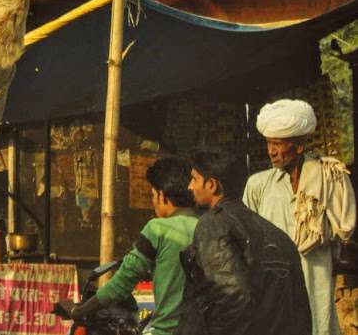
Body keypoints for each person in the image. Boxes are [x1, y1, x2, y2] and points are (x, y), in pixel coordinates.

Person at [244, 99, 356, 335]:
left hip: (317, 283)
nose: (271, 151)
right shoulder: (258, 185)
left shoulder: (329, 179)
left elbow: (344, 230)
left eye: (277, 144)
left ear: (300, 146)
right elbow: (247, 236)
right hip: (275, 288)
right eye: (268, 143)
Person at [56, 157, 198, 335]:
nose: (153, 202)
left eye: (153, 195)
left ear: (162, 195)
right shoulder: (208, 224)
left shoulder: (158, 229)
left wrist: (80, 310)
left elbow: (121, 283)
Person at [177, 148, 311, 335]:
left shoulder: (214, 223)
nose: (190, 186)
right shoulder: (274, 232)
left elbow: (232, 296)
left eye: (195, 179)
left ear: (212, 185)